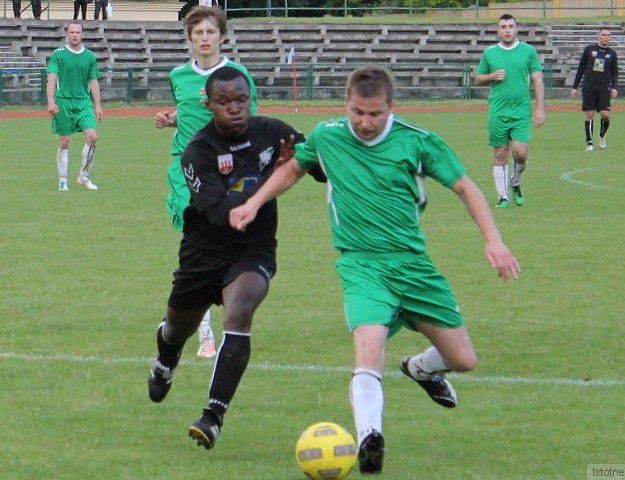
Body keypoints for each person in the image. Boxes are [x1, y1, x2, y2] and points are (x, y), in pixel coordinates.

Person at [229, 67, 520, 475]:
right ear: (346, 104)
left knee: (463, 359)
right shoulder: (328, 136)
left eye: (374, 114)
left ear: (391, 107)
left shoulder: (417, 142)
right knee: (369, 349)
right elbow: (293, 169)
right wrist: (254, 203)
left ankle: (420, 369)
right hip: (361, 264)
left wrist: (494, 240)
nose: (364, 122)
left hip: (413, 265)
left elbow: (465, 187)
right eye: (357, 112)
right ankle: (370, 438)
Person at [147, 66, 325, 450]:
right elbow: (220, 213)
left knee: (239, 312)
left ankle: (213, 416)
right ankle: (166, 359)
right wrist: (276, 177)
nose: (234, 108)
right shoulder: (198, 151)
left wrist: (316, 164)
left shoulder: (274, 132)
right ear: (208, 105)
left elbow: (318, 166)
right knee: (177, 329)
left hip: (252, 249)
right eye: (224, 101)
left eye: (241, 100)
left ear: (250, 100)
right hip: (203, 253)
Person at [154, 6, 258, 358]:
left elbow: (251, 121)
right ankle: (205, 333)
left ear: (221, 36)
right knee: (196, 239)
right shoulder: (179, 75)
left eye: (210, 32)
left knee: (220, 244)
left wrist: (219, 108)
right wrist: (171, 120)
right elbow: (186, 112)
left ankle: (203, 309)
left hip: (225, 168)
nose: (204, 38)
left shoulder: (237, 75)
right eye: (198, 32)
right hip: (185, 167)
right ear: (189, 38)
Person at [474, 13, 545, 208]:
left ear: (516, 29)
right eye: (503, 27)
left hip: (521, 112)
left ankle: (515, 181)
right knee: (500, 154)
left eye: (511, 26)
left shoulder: (528, 51)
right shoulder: (490, 53)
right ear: (498, 31)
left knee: (520, 153)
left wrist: (539, 108)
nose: (507, 30)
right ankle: (503, 197)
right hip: (498, 111)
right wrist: (492, 76)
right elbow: (478, 78)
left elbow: (538, 79)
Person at [46, 21, 103, 191]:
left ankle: (84, 176)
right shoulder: (59, 54)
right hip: (63, 102)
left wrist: (98, 105)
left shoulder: (90, 57)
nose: (75, 35)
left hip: (84, 102)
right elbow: (51, 79)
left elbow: (93, 81)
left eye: (78, 32)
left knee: (92, 136)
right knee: (65, 141)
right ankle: (63, 180)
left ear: (82, 34)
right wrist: (51, 101)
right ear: (67, 34)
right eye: (72, 32)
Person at [571, 27, 618, 152]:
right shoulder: (589, 50)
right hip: (589, 87)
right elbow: (581, 68)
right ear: (598, 36)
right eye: (603, 34)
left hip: (604, 88)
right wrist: (575, 87)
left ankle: (602, 135)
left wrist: (614, 87)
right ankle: (590, 143)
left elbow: (614, 72)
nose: (606, 37)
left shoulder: (612, 54)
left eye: (608, 35)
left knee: (605, 115)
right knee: (589, 115)